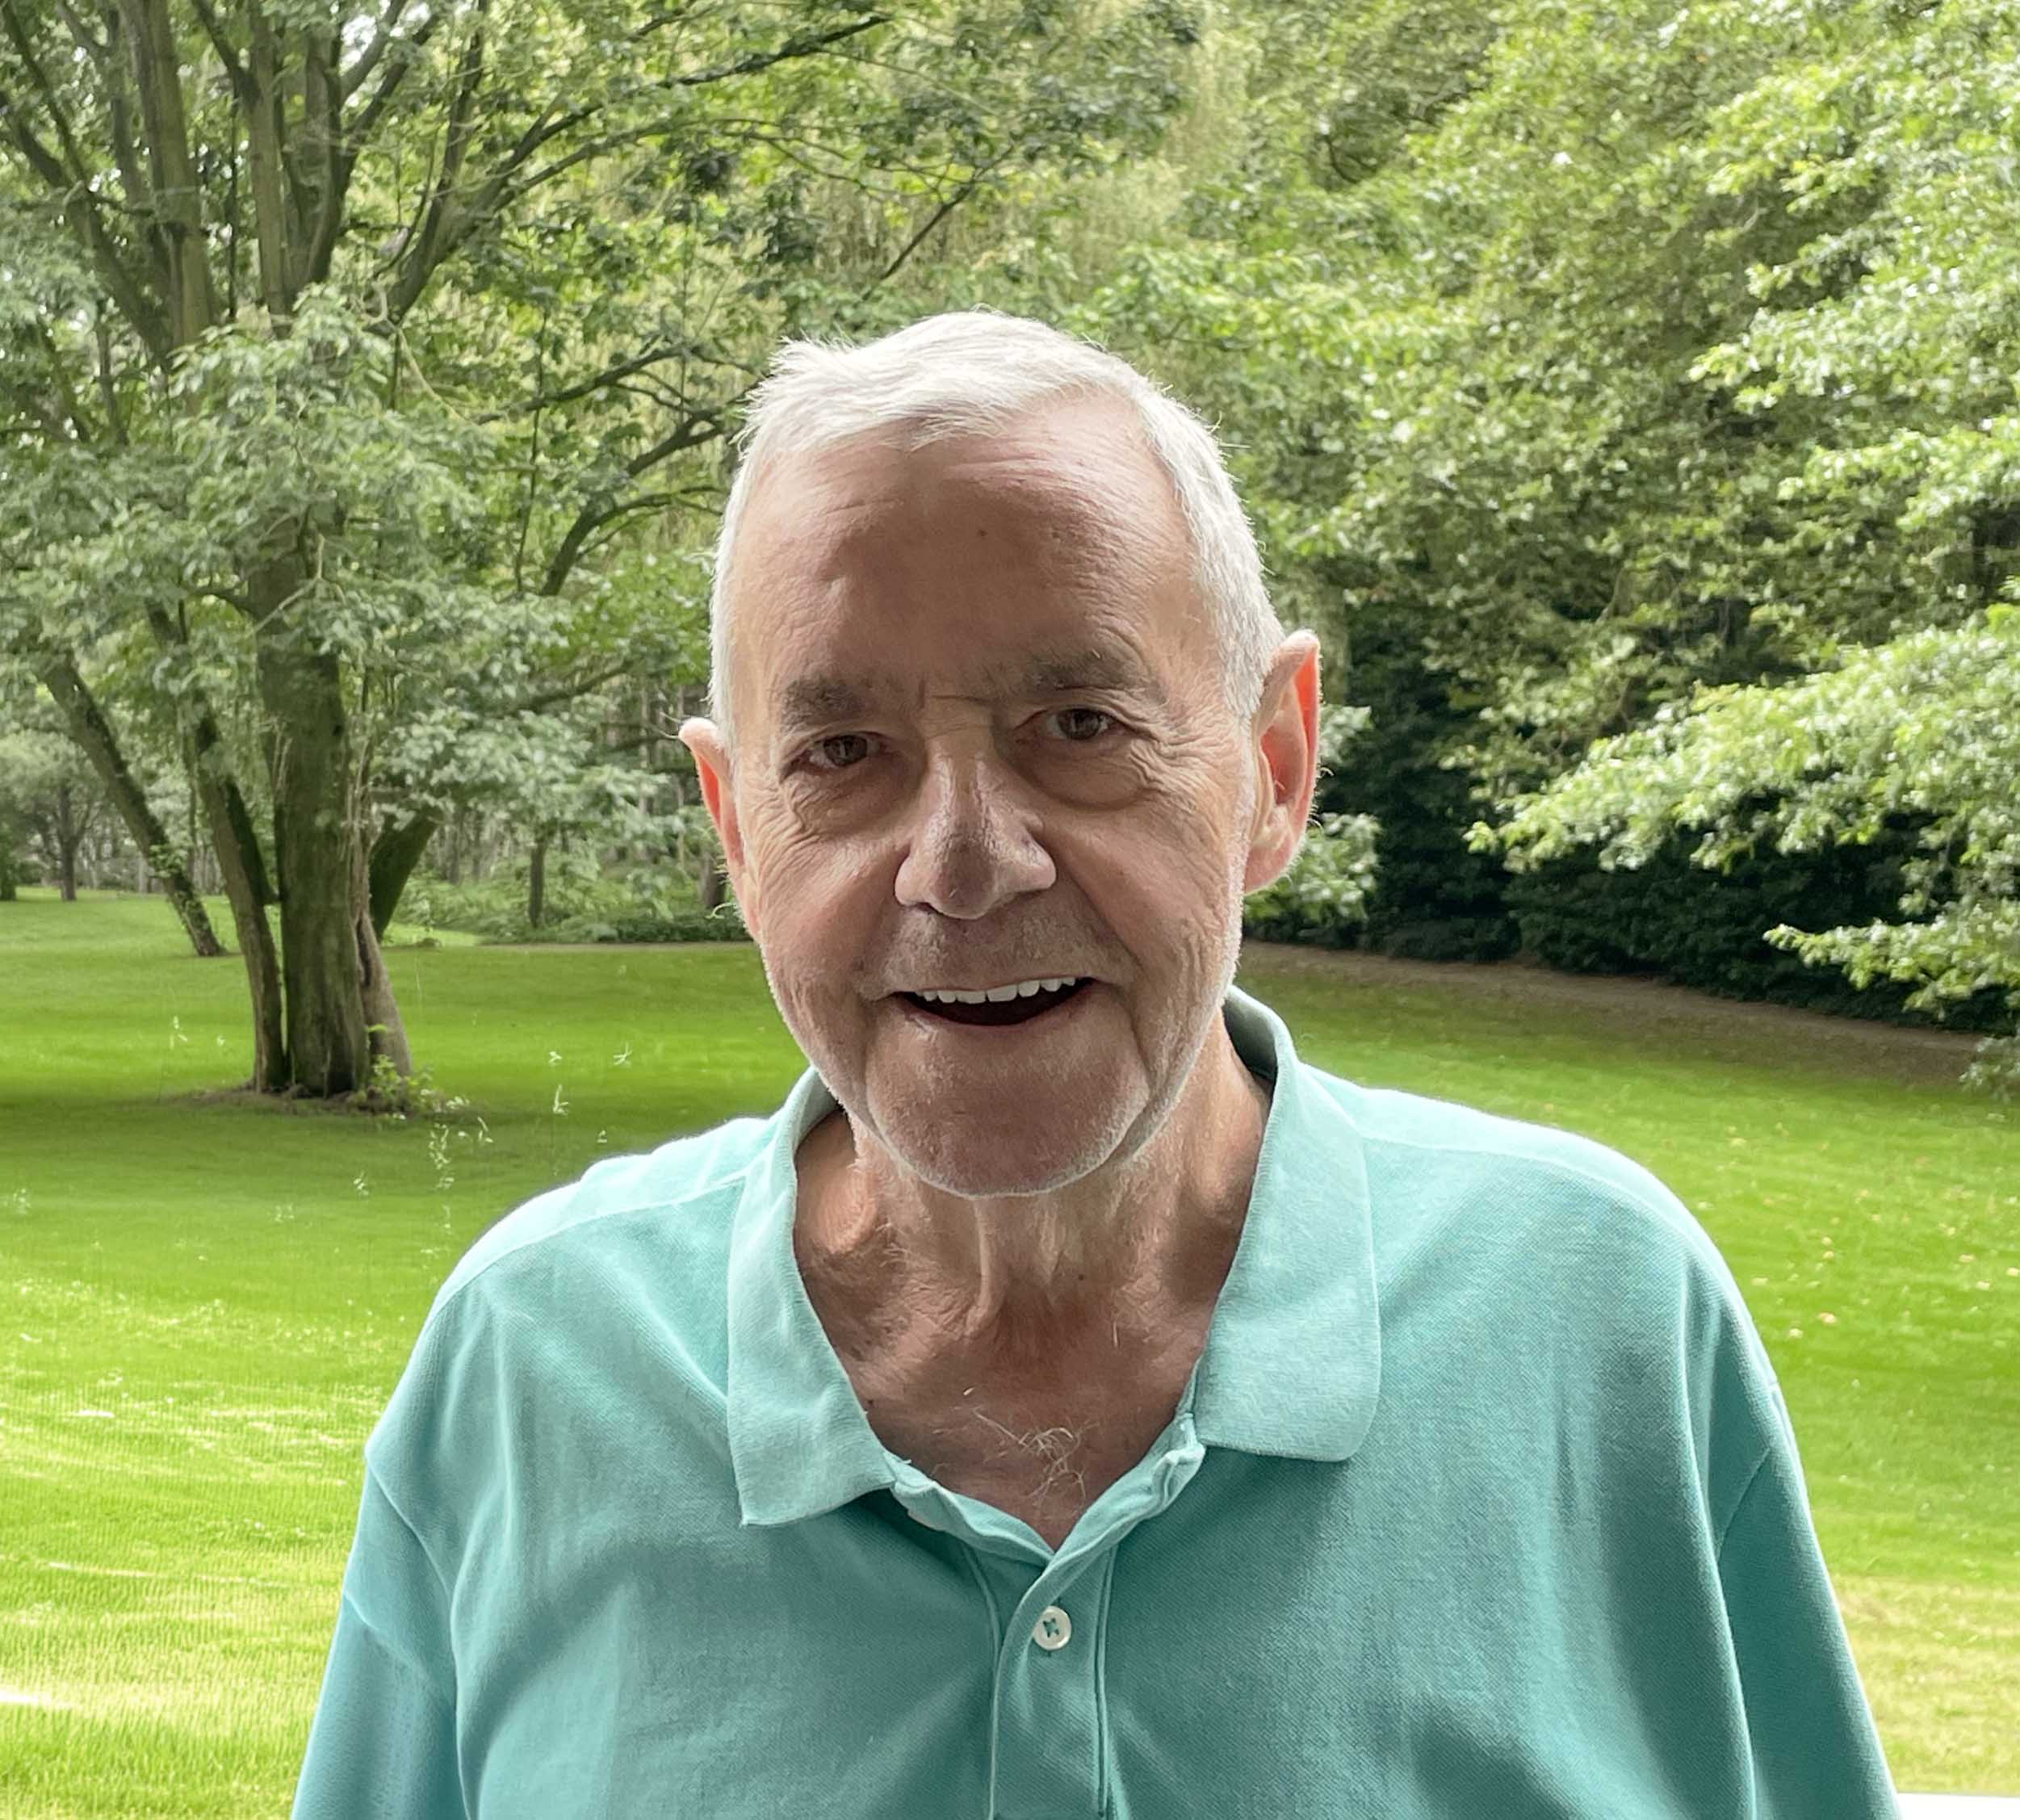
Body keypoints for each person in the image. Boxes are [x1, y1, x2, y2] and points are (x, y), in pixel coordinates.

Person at [292, 312, 1900, 1817]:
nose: (962, 863)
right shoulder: (532, 1368)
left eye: (1078, 724)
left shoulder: (1599, 1322)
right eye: (842, 753)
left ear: (1274, 764)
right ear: (735, 827)